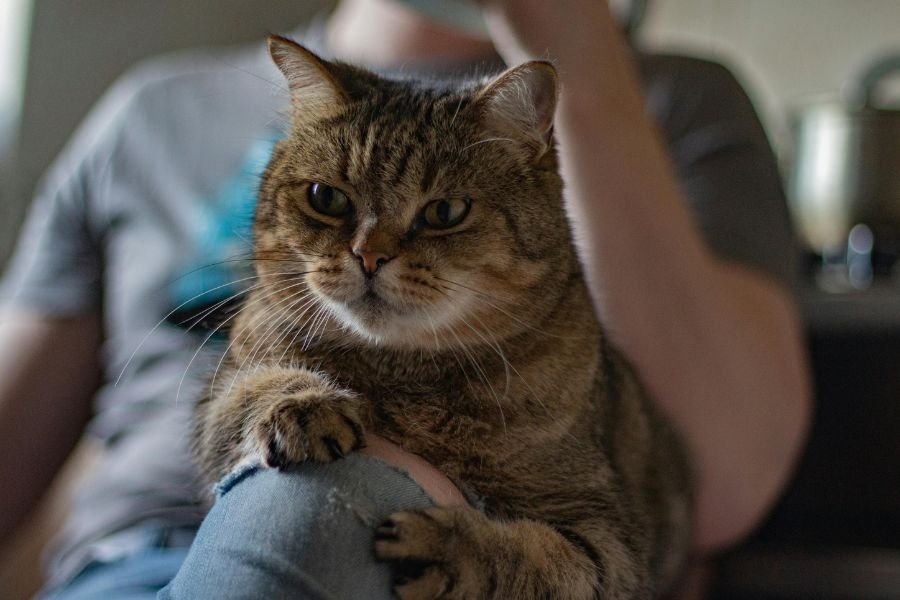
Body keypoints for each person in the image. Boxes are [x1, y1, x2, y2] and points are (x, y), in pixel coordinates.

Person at [0, 0, 811, 597]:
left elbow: (721, 491)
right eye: (324, 201)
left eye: (445, 217)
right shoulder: (152, 108)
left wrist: (584, 59)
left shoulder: (674, 100)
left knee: (313, 503)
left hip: (472, 564)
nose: (371, 255)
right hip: (140, 568)